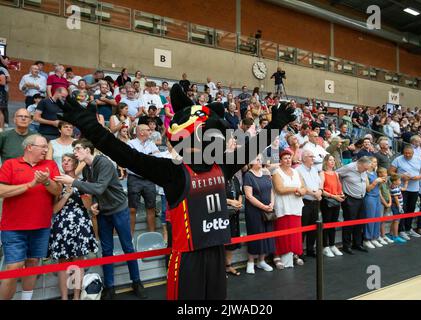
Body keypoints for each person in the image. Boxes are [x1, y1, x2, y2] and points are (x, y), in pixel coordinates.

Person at [58, 84, 296, 300]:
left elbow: (254, 146)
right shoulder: (172, 172)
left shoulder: (221, 165)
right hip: (187, 257)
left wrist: (276, 125)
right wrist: (89, 125)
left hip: (216, 251)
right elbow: (124, 154)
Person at [54, 139, 147, 300]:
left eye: (77, 149)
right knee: (106, 250)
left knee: (127, 247)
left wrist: (73, 182)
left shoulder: (103, 163)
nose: (75, 152)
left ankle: (137, 282)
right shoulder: (88, 170)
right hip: (104, 212)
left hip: (119, 209)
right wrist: (95, 203)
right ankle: (110, 287)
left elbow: (99, 187)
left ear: (88, 150)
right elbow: (96, 192)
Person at [0, 134, 62, 300]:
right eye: (42, 146)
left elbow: (57, 191)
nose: (46, 150)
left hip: (41, 226)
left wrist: (46, 181)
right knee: (14, 267)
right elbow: (1, 191)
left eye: (46, 147)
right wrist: (30, 184)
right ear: (29, 147)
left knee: (33, 264)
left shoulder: (50, 164)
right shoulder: (10, 164)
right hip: (13, 227)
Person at [48, 154, 98, 300]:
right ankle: (64, 297)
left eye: (69, 160)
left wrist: (79, 188)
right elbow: (54, 210)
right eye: (63, 161)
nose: (66, 163)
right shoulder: (57, 183)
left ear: (76, 164)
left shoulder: (82, 183)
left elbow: (88, 207)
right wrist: (66, 195)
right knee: (63, 262)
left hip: (80, 224)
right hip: (62, 225)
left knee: (78, 260)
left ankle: (76, 296)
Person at [272, 150, 306, 268]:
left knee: (295, 232)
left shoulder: (296, 172)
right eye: (285, 158)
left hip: (296, 206)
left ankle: (293, 254)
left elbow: (303, 187)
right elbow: (280, 189)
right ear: (280, 160)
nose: (288, 160)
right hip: (283, 206)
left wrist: (302, 191)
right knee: (282, 231)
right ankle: (278, 255)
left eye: (289, 158)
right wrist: (297, 189)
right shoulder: (277, 172)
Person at [244, 156, 276, 274]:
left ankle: (261, 261)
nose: (259, 160)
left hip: (268, 210)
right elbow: (249, 196)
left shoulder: (266, 173)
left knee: (266, 234)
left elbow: (271, 190)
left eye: (260, 158)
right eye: (256, 159)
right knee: (255, 234)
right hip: (254, 211)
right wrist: (263, 207)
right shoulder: (248, 175)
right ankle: (251, 261)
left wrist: (272, 204)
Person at [389, 145, 421, 240]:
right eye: (405, 153)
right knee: (402, 209)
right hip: (402, 189)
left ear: (413, 153)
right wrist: (401, 176)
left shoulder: (418, 159)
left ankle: (408, 228)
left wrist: (418, 177)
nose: (407, 155)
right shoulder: (398, 159)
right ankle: (401, 230)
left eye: (409, 153)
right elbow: (390, 172)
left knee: (411, 209)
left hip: (414, 188)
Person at [127, 124, 159, 233]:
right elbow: (133, 161)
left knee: (151, 208)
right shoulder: (130, 144)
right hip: (134, 179)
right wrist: (149, 158)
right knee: (132, 209)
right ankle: (129, 237)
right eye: (148, 130)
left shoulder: (151, 143)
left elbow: (157, 157)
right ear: (141, 132)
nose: (151, 131)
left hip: (149, 178)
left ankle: (152, 235)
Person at [336, 157, 372, 254]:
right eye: (365, 168)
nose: (365, 170)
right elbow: (336, 174)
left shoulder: (363, 169)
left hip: (361, 198)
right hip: (350, 198)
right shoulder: (349, 167)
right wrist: (340, 189)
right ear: (359, 164)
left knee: (360, 222)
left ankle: (358, 244)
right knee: (349, 223)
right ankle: (346, 246)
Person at [296, 150, 322, 258]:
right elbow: (301, 187)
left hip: (315, 202)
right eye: (311, 156)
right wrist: (314, 194)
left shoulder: (314, 169)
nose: (313, 158)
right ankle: (300, 252)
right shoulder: (298, 170)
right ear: (304, 158)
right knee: (303, 228)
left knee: (313, 228)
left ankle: (311, 249)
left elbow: (319, 183)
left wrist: (319, 192)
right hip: (304, 202)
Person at [320, 155, 345, 257]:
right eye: (330, 160)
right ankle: (325, 246)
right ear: (325, 162)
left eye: (333, 160)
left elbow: (339, 187)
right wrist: (334, 196)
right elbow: (321, 190)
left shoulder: (336, 173)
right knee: (327, 224)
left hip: (336, 201)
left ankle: (332, 245)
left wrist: (342, 194)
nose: (332, 162)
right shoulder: (322, 173)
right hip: (327, 201)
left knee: (333, 224)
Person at [363, 157, 386, 249]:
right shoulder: (365, 174)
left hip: (376, 197)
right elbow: (368, 189)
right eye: (373, 162)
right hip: (370, 197)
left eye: (376, 162)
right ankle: (367, 239)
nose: (375, 163)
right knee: (370, 219)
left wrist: (382, 181)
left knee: (377, 219)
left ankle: (375, 237)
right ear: (368, 163)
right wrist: (376, 181)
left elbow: (378, 187)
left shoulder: (375, 173)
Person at [224, 174, 243, 276]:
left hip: (234, 213)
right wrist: (232, 202)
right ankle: (221, 268)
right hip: (223, 213)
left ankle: (228, 266)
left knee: (232, 240)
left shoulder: (234, 178)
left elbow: (239, 193)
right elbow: (217, 195)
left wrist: (239, 203)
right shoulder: (220, 177)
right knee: (224, 241)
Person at [388, 174, 408, 243]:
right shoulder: (394, 188)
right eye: (399, 180)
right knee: (396, 221)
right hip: (396, 206)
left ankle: (390, 234)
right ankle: (395, 236)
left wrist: (406, 182)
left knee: (395, 220)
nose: (400, 181)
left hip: (398, 206)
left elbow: (404, 189)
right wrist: (399, 206)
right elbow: (396, 198)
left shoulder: (397, 186)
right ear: (394, 181)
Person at [378, 167, 394, 245]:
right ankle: (378, 236)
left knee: (383, 220)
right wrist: (385, 203)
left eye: (386, 173)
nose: (385, 175)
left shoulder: (386, 182)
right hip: (381, 203)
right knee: (380, 219)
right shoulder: (379, 182)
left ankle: (383, 235)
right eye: (383, 173)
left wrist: (390, 202)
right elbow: (380, 194)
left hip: (387, 202)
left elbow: (388, 191)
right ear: (379, 174)